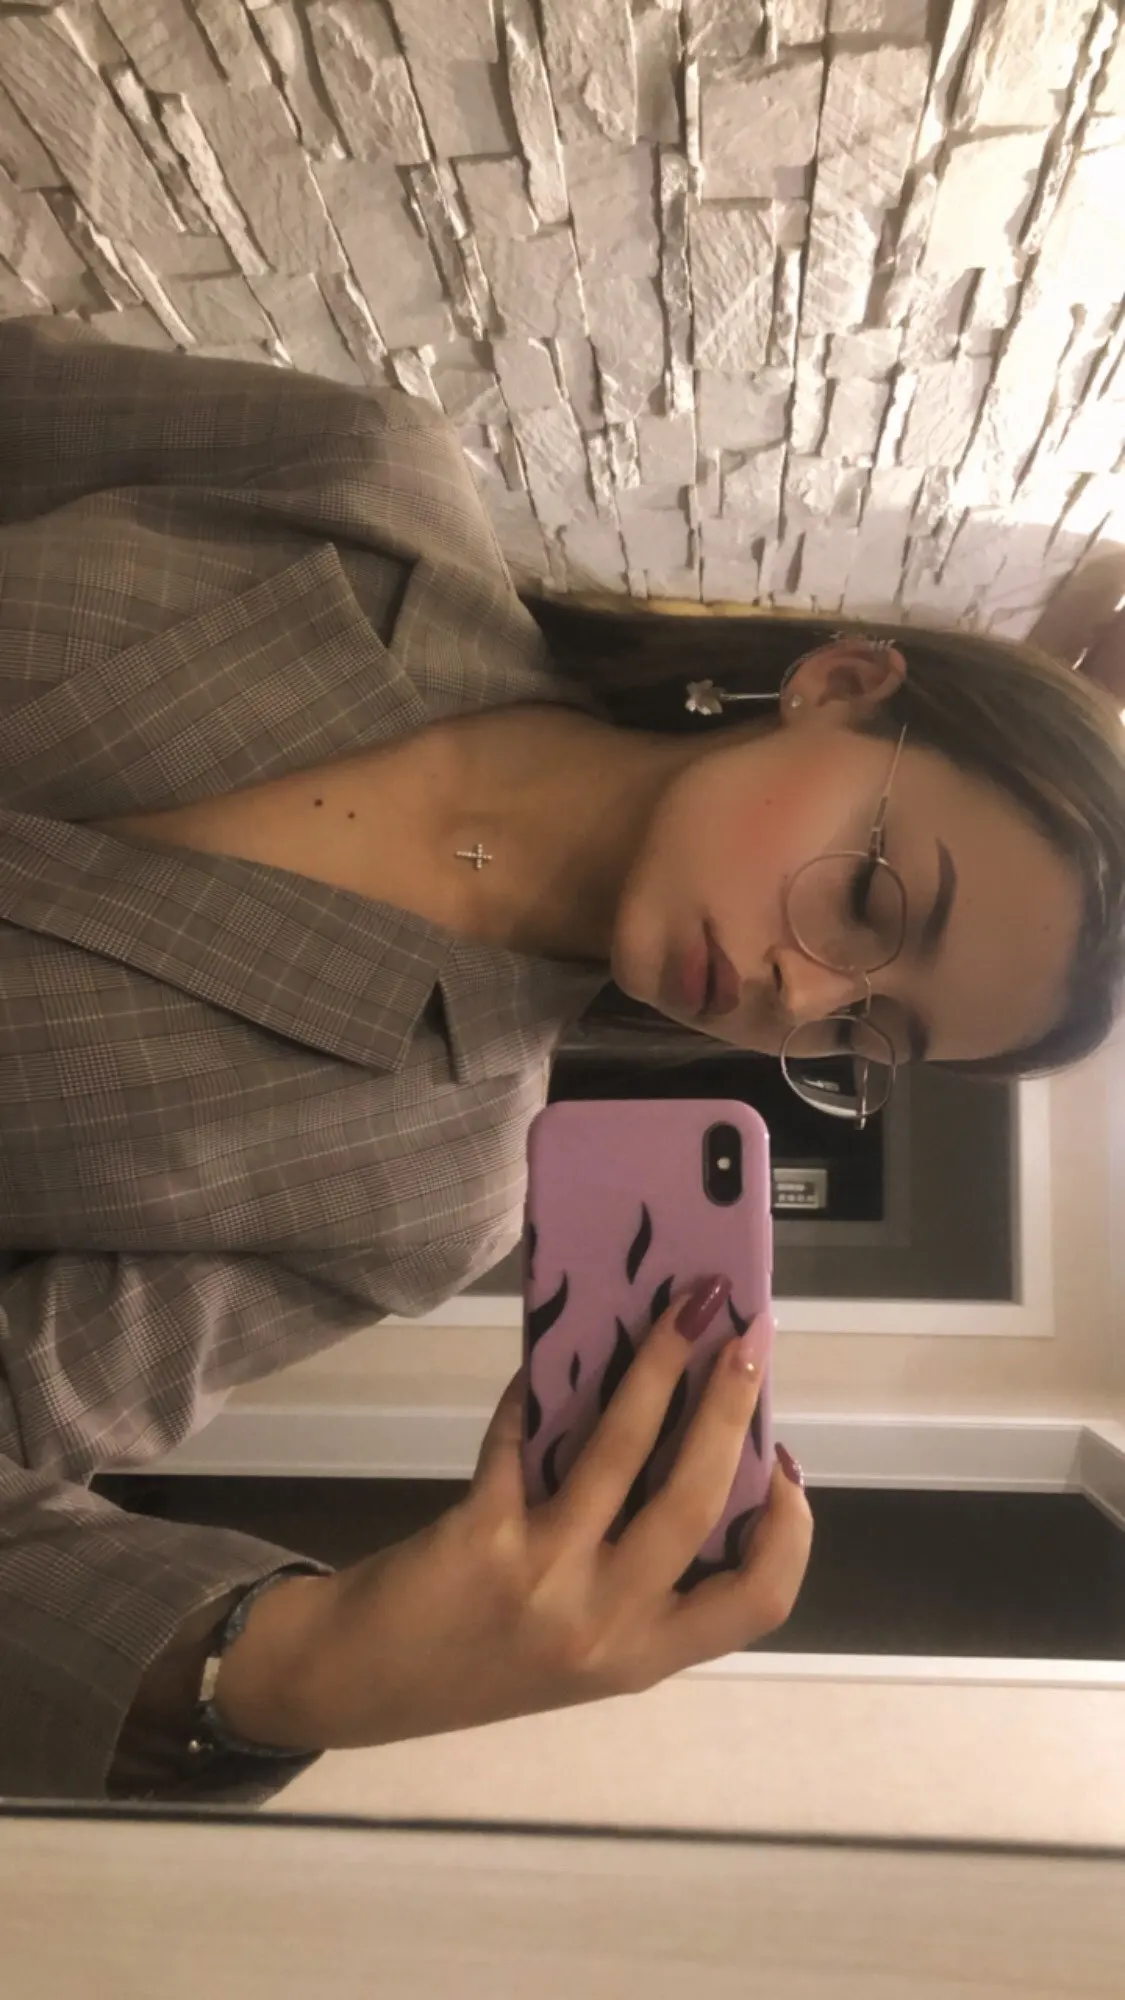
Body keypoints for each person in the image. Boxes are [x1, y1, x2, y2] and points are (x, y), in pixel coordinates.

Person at [0, 315, 1121, 1805]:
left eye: (866, 1031)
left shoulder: (420, 1191)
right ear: (843, 684)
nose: (800, 992)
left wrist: (294, 1670)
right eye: (869, 898)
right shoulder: (357, 486)